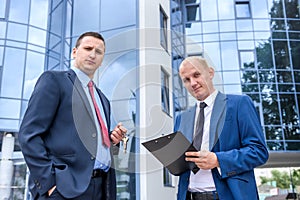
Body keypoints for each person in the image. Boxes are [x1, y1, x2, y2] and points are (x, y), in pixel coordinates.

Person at [19, 31, 127, 200]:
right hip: (64, 188)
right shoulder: (54, 81)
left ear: (102, 60)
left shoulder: (103, 99)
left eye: (98, 52)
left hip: (101, 187)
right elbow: (29, 135)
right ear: (75, 52)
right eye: (88, 48)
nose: (93, 54)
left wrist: (113, 141)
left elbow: (93, 145)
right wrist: (49, 183)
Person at [174, 56, 269, 200]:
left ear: (210, 73)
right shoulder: (181, 118)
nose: (193, 83)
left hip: (229, 195)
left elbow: (259, 151)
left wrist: (218, 160)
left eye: (196, 75)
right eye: (186, 80)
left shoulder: (239, 104)